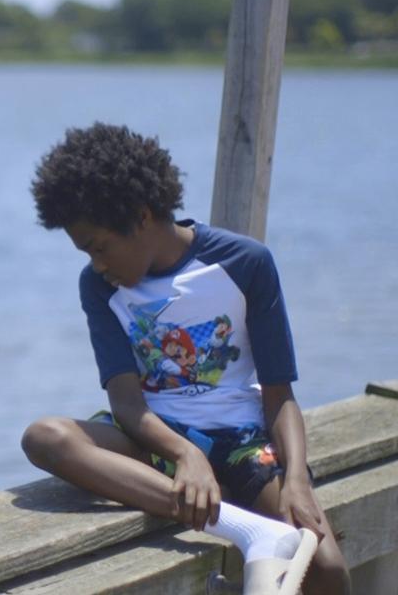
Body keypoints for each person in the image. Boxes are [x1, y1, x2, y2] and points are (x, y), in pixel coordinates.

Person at [20, 123, 351, 594]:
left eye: (99, 247)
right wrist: (185, 453)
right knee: (46, 437)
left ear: (140, 216)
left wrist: (296, 479)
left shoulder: (245, 263)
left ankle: (236, 511)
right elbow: (127, 404)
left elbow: (280, 394)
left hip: (241, 440)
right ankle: (244, 529)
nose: (98, 264)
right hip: (152, 440)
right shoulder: (99, 288)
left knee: (327, 568)